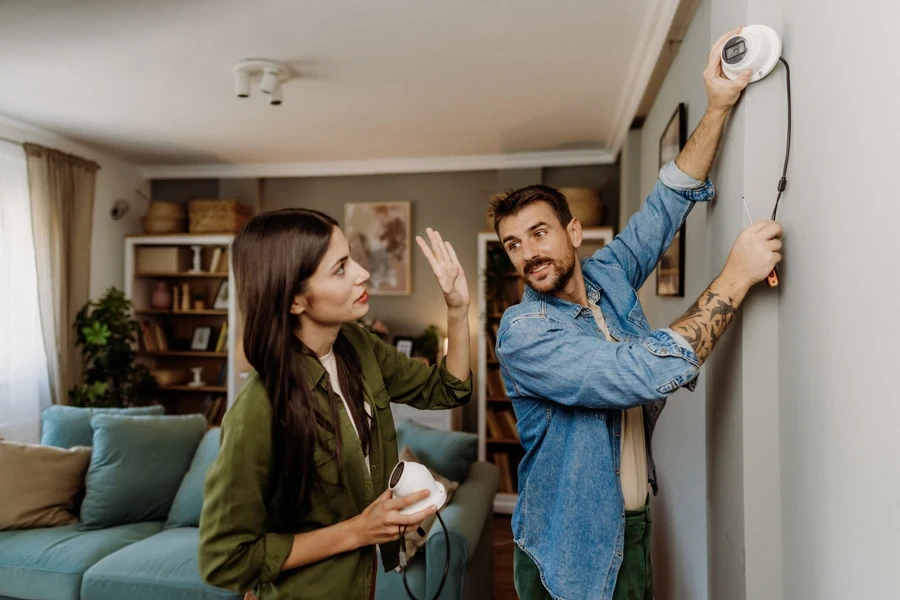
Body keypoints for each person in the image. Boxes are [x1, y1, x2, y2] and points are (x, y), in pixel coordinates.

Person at [489, 28, 782, 600]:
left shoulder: (606, 274)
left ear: (574, 232)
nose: (528, 254)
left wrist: (718, 104)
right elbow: (638, 373)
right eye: (513, 245)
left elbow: (670, 199)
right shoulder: (524, 333)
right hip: (570, 547)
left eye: (538, 233)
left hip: (634, 524)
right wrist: (735, 276)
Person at [198, 208, 472, 600]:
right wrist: (360, 530)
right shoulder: (258, 408)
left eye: (352, 259)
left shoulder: (358, 346)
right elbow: (223, 558)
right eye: (341, 268)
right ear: (295, 300)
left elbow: (447, 389)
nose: (362, 273)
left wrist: (458, 310)